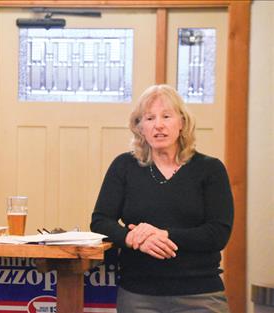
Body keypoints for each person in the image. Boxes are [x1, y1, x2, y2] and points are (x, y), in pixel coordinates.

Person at [90, 84, 234, 313]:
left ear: (182, 123)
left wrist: (163, 235)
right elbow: (100, 221)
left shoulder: (210, 169)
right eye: (149, 118)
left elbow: (218, 234)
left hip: (200, 295)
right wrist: (134, 238)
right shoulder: (124, 166)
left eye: (167, 116)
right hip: (139, 294)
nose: (158, 125)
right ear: (140, 128)